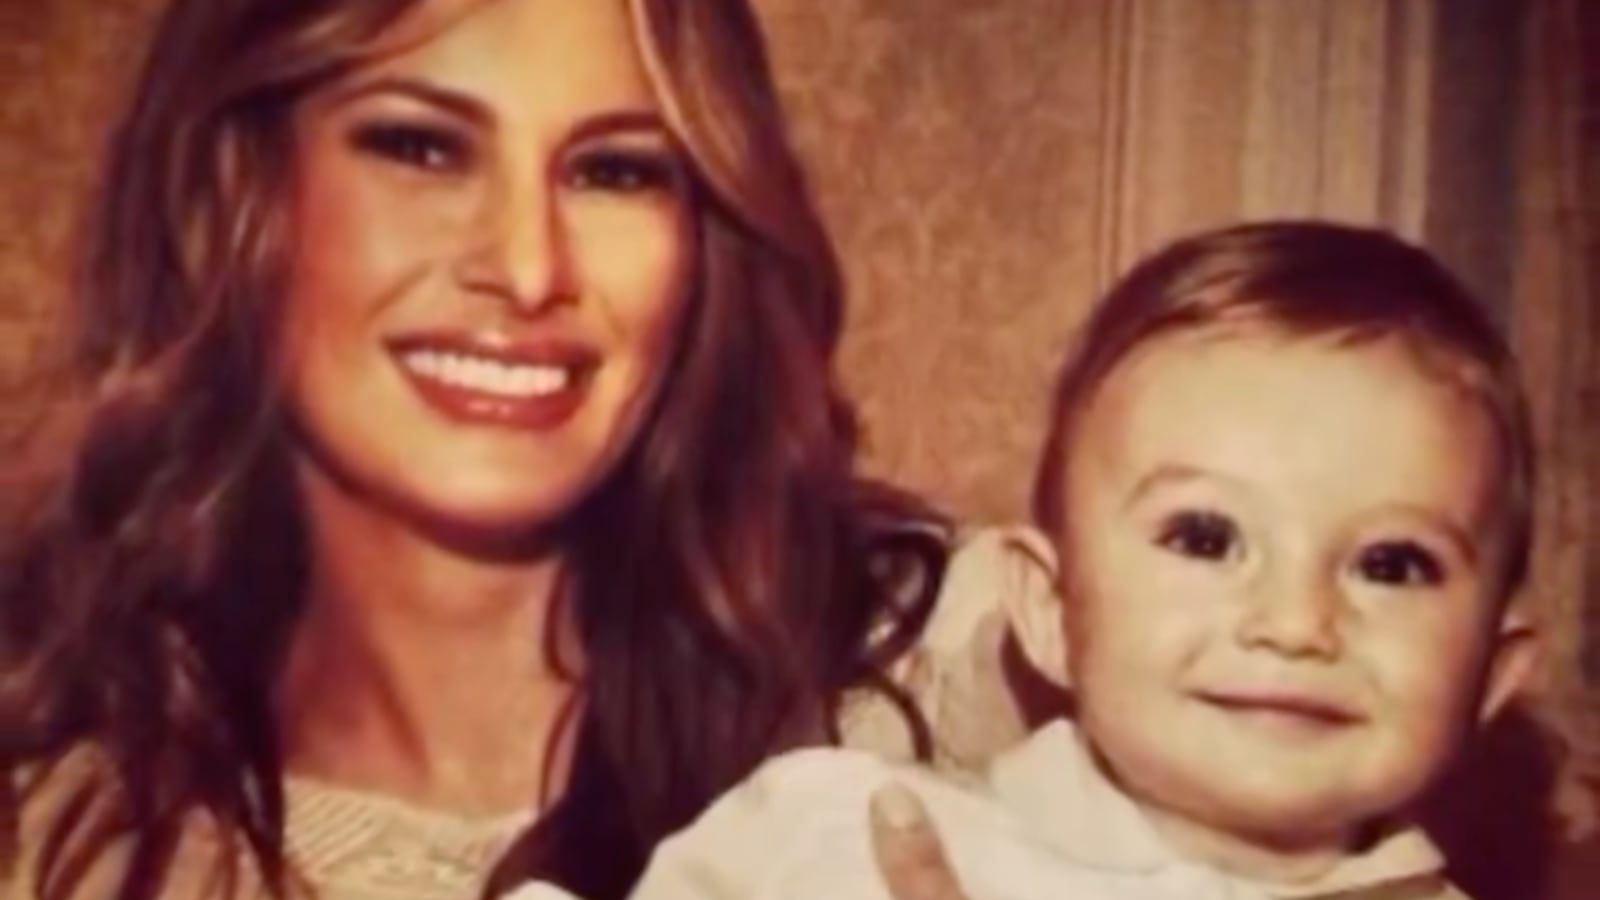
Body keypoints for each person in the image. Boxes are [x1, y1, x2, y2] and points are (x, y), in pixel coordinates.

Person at [0, 1, 1041, 898]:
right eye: (421, 147)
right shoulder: (59, 826)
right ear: (231, 192)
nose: (529, 267)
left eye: (614, 170)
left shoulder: (975, 683)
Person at [575, 221, 1543, 900]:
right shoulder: (846, 836)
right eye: (1204, 537)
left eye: (1390, 563)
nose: (1294, 623)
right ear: (1046, 609)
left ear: (1492, 672)